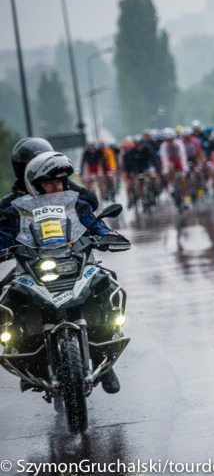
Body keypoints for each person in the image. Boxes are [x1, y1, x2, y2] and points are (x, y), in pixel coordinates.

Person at [0, 151, 126, 393]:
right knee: (10, 296)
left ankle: (105, 359)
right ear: (35, 184)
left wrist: (108, 235)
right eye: (49, 182)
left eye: (59, 181)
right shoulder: (16, 210)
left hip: (75, 262)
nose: (56, 186)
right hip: (34, 267)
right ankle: (22, 353)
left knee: (105, 282)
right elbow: (4, 235)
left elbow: (95, 223)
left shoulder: (76, 203)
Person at [1, 137, 99, 212]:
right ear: (21, 167)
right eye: (33, 163)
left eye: (43, 162)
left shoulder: (62, 185)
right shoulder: (12, 200)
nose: (56, 187)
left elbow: (91, 201)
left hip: (67, 236)